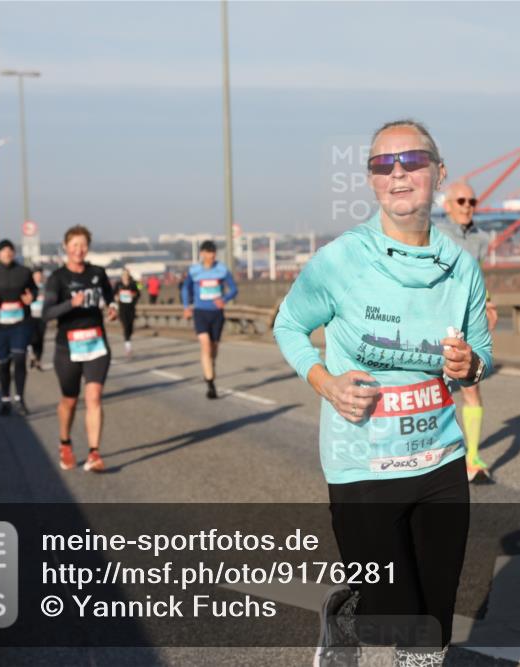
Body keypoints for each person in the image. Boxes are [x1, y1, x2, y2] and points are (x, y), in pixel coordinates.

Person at [274, 119, 491, 666]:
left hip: (441, 459)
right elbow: (288, 325)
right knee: (391, 610)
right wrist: (325, 383)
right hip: (364, 465)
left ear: (438, 173)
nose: (398, 173)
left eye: (412, 161)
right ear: (371, 181)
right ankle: (345, 617)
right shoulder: (342, 260)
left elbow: (479, 356)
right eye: (382, 164)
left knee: (430, 626)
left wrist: (469, 365)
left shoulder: (461, 268)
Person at [436, 181, 499, 483]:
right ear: (447, 205)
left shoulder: (482, 239)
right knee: (437, 391)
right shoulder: (433, 233)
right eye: (461, 201)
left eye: (472, 201)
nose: (467, 206)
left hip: (468, 320)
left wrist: (487, 303)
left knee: (471, 385)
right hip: (436, 320)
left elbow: (479, 278)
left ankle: (471, 458)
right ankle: (437, 458)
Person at [43, 225, 117, 473]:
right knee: (70, 401)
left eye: (83, 245)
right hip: (68, 347)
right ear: (66, 247)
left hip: (96, 343)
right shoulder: (57, 278)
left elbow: (109, 296)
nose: (79, 250)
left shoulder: (97, 273)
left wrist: (112, 307)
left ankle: (94, 454)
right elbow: (47, 314)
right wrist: (70, 304)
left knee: (94, 396)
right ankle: (65, 443)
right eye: (74, 245)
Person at [182, 240, 238, 399]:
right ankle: (210, 384)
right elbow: (186, 288)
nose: (211, 255)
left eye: (213, 252)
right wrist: (186, 306)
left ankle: (210, 366)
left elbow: (234, 289)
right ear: (202, 254)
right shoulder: (194, 271)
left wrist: (225, 299)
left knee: (213, 348)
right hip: (200, 312)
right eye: (208, 252)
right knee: (205, 345)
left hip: (217, 313)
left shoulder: (222, 270)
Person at [0, 239, 37, 416]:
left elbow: (34, 290)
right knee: (3, 364)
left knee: (19, 358)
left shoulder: (24, 272)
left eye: (10, 250)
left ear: (14, 253)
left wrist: (31, 297)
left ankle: (20, 399)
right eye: (4, 251)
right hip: (0, 326)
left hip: (20, 323)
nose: (7, 253)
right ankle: (5, 400)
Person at [115, 267, 140, 359]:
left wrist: (135, 294)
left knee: (130, 327)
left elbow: (139, 291)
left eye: (127, 274)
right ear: (122, 275)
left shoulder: (134, 283)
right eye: (124, 274)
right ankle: (128, 346)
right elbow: (113, 293)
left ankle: (128, 339)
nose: (125, 276)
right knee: (125, 325)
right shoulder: (118, 284)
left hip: (131, 308)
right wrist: (116, 297)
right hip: (122, 308)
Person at [28, 268, 47, 370]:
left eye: (40, 275)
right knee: (32, 338)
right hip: (31, 317)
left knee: (40, 339)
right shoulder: (29, 288)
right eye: (36, 275)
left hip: (42, 317)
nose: (38, 277)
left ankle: (38, 360)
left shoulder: (46, 288)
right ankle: (32, 356)